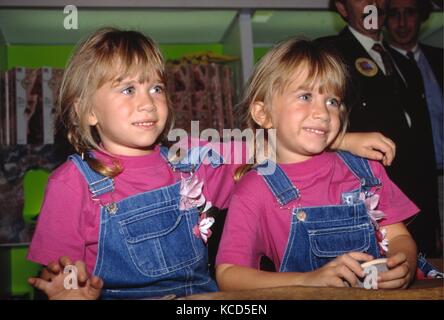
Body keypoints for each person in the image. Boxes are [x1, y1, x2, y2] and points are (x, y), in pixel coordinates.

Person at [26, 27, 398, 300]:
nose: (147, 101)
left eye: (156, 88)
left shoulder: (190, 160)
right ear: (87, 110)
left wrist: (340, 139)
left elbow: (268, 143)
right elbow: (62, 273)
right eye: (128, 89)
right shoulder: (70, 182)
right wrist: (70, 290)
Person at [215, 38, 419, 291]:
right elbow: (229, 274)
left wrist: (403, 265)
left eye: (332, 101)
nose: (323, 113)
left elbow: (398, 237)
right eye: (305, 96)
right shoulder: (255, 188)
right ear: (263, 114)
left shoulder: (365, 171)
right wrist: (306, 280)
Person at [319, 0, 441, 257]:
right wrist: (343, 140)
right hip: (365, 203)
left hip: (417, 208)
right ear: (342, 8)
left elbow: (422, 146)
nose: (374, 3)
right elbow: (301, 128)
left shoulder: (403, 62)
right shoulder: (328, 53)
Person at [385, 0, 443, 250]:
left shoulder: (439, 59)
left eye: (409, 13)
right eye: (394, 14)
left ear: (421, 16)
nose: (402, 22)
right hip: (408, 180)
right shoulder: (380, 63)